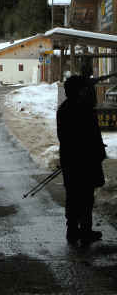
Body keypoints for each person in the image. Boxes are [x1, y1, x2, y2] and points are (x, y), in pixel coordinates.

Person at [57, 75, 106, 245]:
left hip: (70, 160)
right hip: (85, 161)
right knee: (86, 197)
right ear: (80, 91)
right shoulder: (84, 109)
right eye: (84, 89)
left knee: (73, 197)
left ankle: (72, 230)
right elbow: (91, 136)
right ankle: (85, 231)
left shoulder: (64, 109)